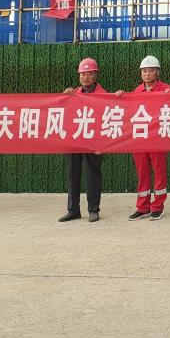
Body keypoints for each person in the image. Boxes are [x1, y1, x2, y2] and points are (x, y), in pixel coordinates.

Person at [117, 56, 170, 220]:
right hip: (140, 139)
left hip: (158, 139)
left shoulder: (166, 89)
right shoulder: (137, 91)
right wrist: (120, 97)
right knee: (142, 174)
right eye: (144, 71)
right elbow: (128, 110)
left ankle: (157, 206)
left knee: (159, 173)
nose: (147, 74)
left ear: (157, 72)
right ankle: (142, 207)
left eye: (151, 70)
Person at [60, 58, 106, 222]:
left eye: (89, 74)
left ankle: (93, 209)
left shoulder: (103, 95)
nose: (85, 77)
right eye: (82, 74)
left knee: (92, 175)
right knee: (72, 175)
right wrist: (65, 96)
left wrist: (102, 144)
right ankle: (73, 210)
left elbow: (106, 120)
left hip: (93, 142)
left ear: (95, 75)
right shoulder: (74, 93)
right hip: (75, 140)